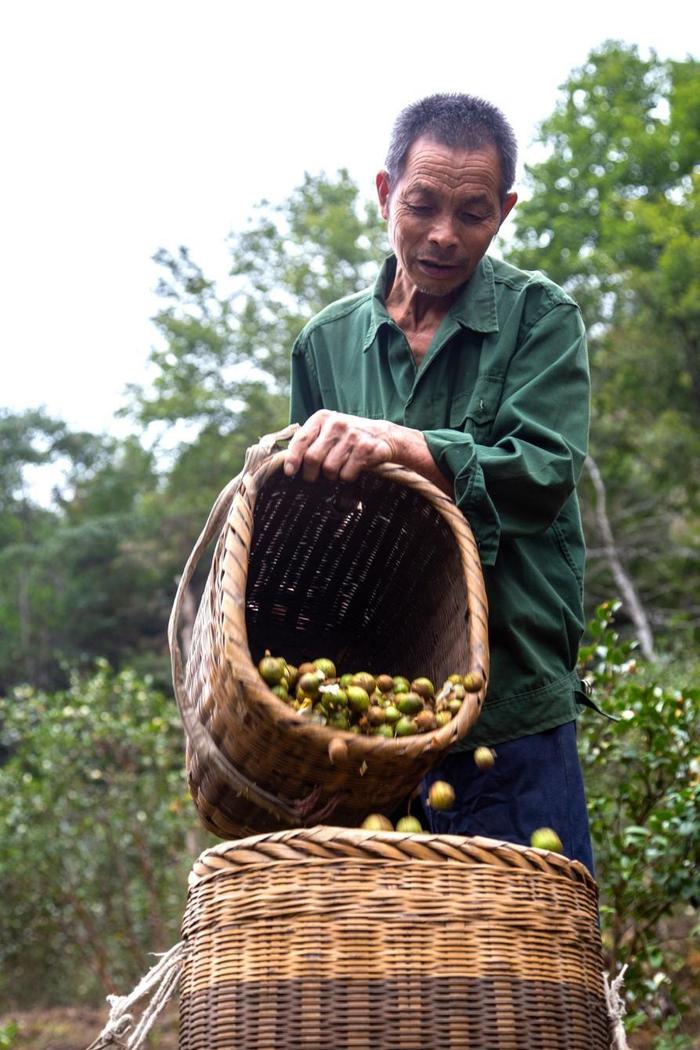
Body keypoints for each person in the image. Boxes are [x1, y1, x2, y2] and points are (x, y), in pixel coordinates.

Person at [283, 93, 595, 873]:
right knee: (386, 983)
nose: (444, 236)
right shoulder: (327, 345)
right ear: (387, 193)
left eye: (473, 213)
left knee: (534, 966)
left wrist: (406, 443)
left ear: (505, 212)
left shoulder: (541, 320)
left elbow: (543, 470)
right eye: (422, 205)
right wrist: (313, 732)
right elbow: (305, 530)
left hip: (511, 707)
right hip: (377, 721)